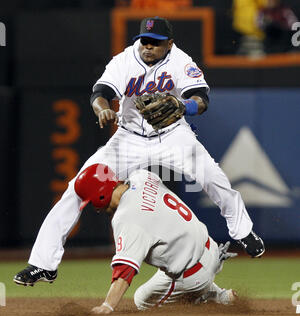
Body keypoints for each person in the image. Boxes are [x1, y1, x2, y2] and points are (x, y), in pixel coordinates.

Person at [13, 16, 264, 287]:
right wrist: (103, 108)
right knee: (77, 188)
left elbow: (201, 98)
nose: (148, 47)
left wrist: (184, 107)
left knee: (213, 177)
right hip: (128, 139)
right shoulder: (123, 61)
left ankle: (243, 231)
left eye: (155, 43)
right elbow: (99, 92)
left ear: (169, 43)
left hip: (172, 136)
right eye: (145, 41)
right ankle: (43, 264)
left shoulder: (181, 61)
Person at [85, 164, 238, 313]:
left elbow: (125, 269)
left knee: (142, 300)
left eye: (91, 200)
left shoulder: (126, 218)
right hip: (211, 248)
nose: (94, 207)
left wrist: (107, 305)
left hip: (193, 275)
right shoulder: (142, 176)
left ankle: (208, 297)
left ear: (101, 194)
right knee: (168, 264)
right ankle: (220, 294)